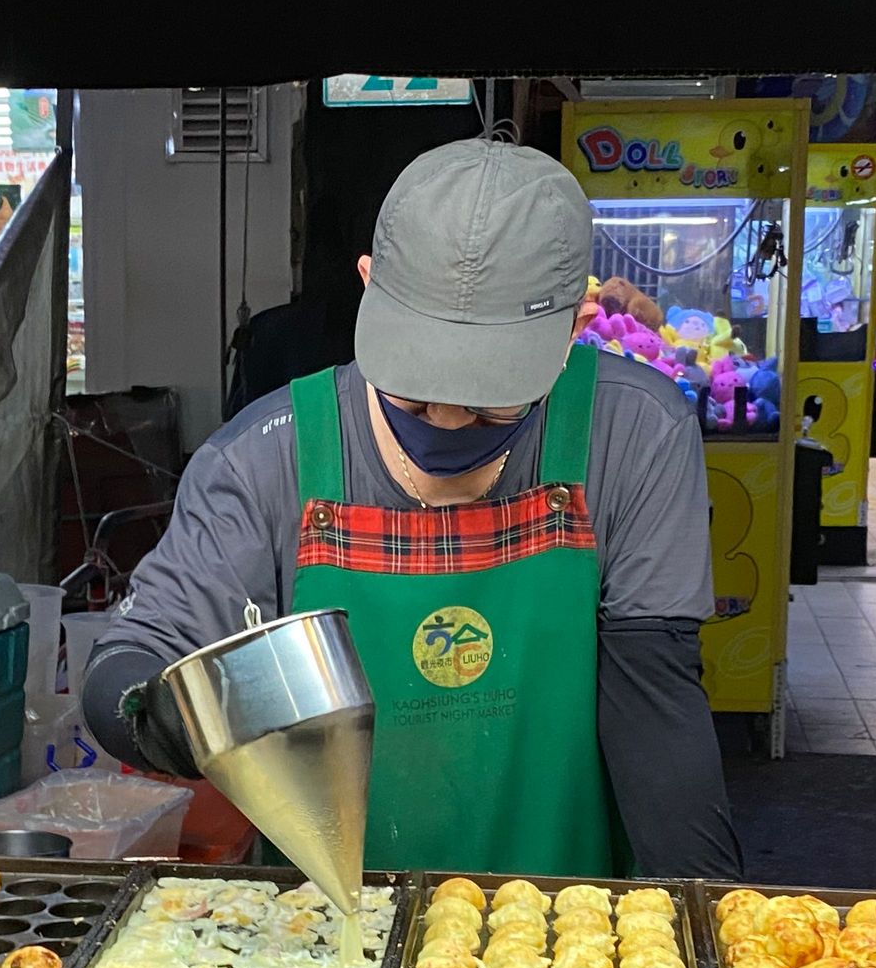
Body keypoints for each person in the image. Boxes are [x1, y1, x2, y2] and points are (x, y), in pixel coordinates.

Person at [83, 139, 742, 880]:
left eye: (492, 398)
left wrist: (710, 912)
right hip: (330, 921)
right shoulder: (265, 461)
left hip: (565, 919)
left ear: (571, 328)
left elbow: (656, 710)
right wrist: (167, 720)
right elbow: (129, 661)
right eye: (416, 391)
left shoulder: (634, 435)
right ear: (369, 286)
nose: (450, 420)